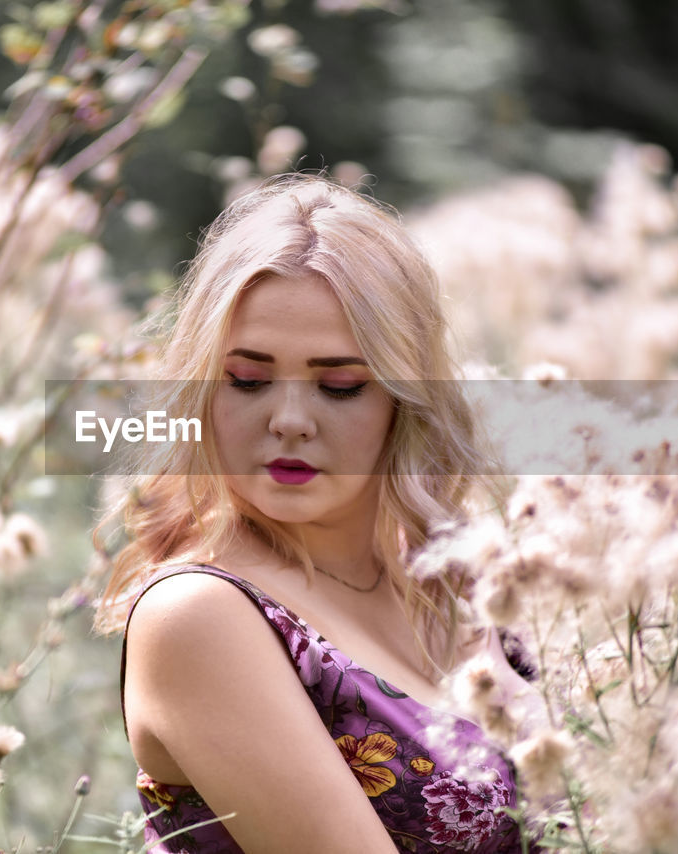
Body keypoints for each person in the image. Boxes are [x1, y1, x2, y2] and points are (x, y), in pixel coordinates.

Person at [94, 174, 533, 853]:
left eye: (339, 386)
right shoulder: (199, 616)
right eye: (247, 379)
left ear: (402, 398)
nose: (290, 421)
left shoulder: (468, 584)